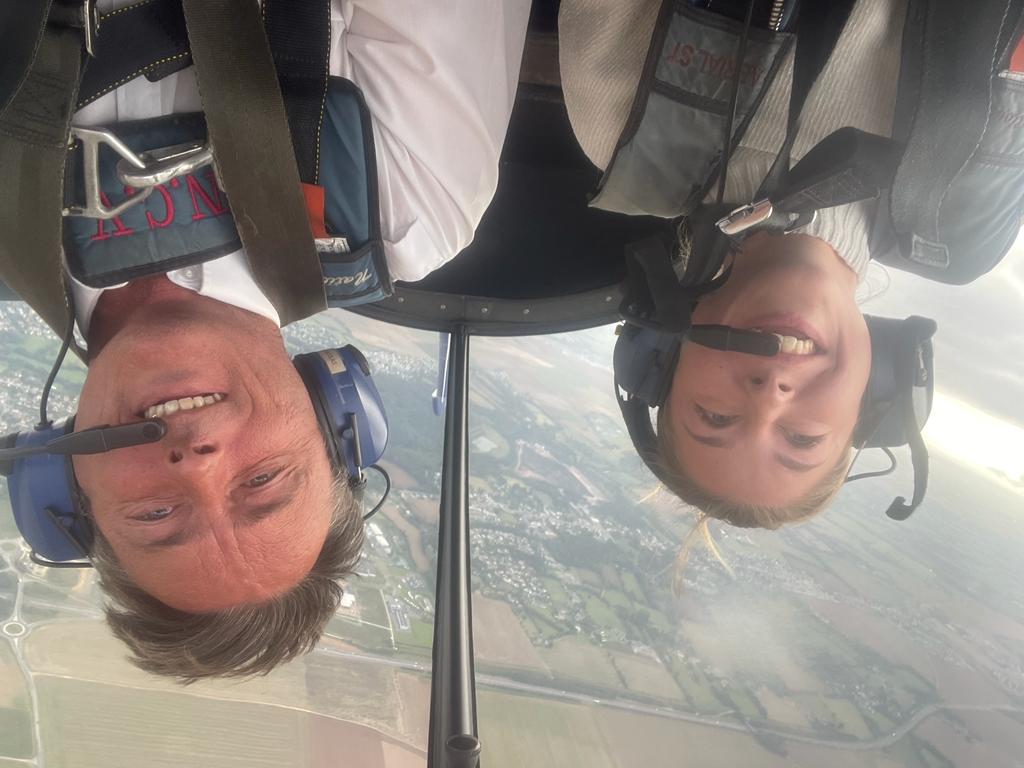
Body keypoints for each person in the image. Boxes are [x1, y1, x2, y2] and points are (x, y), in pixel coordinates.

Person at [0, 0, 531, 680]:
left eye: (157, 513)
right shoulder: (403, 206)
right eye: (262, 481)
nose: (196, 465)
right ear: (328, 416)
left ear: (69, 481)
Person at [560, 0, 1019, 532]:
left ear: (663, 350)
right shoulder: (963, 222)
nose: (770, 396)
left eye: (716, 417)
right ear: (875, 394)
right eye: (802, 439)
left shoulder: (624, 118)